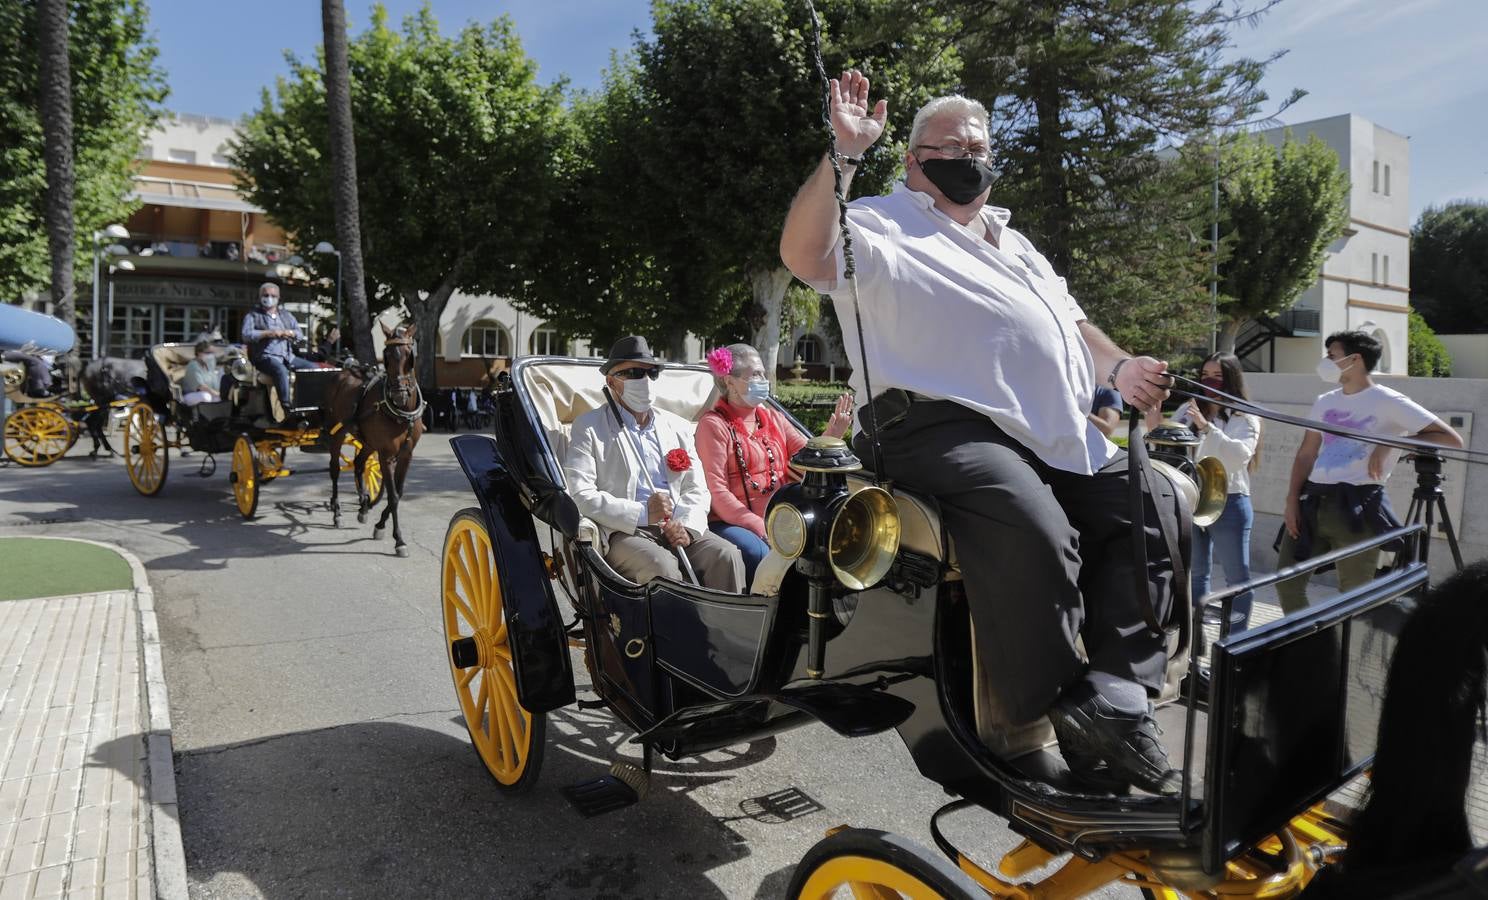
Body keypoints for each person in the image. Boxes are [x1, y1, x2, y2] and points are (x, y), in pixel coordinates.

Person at [780, 72, 1183, 795]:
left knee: (1153, 498)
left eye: (980, 145)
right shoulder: (877, 220)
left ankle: (1120, 693)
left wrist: (1119, 365)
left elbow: (1073, 324)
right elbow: (804, 257)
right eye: (951, 146)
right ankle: (1051, 711)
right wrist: (842, 157)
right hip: (930, 427)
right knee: (1033, 522)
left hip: (1045, 427)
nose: (970, 156)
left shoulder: (1018, 243)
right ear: (912, 160)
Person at [1276, 331, 1462, 613]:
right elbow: (1306, 454)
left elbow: (1450, 438)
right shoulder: (1325, 401)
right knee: (1286, 582)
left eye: (1332, 355)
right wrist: (1291, 501)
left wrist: (1388, 444)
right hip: (1312, 502)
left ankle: (1341, 655)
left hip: (1359, 507)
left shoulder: (1388, 399)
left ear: (1355, 359)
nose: (1326, 361)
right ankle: (1306, 650)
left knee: (1354, 597)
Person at [564, 336, 746, 593]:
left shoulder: (677, 426)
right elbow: (581, 495)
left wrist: (687, 528)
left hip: (677, 526)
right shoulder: (589, 427)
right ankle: (673, 633)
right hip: (624, 532)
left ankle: (726, 632)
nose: (645, 381)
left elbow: (697, 488)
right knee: (662, 567)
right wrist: (642, 513)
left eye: (652, 373)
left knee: (726, 556)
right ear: (611, 381)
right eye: (633, 373)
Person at [694, 343, 853, 582]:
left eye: (763, 373)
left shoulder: (774, 418)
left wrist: (832, 436)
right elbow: (716, 492)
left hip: (784, 518)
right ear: (729, 381)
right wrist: (759, 526)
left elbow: (807, 457)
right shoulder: (713, 425)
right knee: (758, 552)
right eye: (755, 374)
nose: (763, 379)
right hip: (733, 522)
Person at [1150, 353, 1261, 631]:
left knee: (1238, 579)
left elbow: (1240, 456)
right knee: (1196, 574)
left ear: (1231, 378)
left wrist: (1205, 427)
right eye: (1205, 376)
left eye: (1217, 376)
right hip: (1192, 500)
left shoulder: (1244, 414)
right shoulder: (1189, 408)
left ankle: (1235, 644)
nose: (1209, 381)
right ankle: (1195, 645)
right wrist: (1154, 420)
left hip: (1229, 502)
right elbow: (1167, 444)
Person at [240, 283, 316, 419]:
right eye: (266, 295)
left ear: (278, 297)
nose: (269, 298)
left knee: (312, 368)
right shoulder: (253, 315)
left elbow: (299, 334)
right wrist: (268, 333)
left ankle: (307, 404)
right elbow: (246, 334)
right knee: (280, 370)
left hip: (288, 356)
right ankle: (287, 407)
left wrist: (290, 332)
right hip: (265, 357)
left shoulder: (286, 315)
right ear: (260, 296)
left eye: (273, 295)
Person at [180, 340, 223, 406]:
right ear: (199, 353)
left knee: (219, 399)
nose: (211, 355)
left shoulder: (209, 365)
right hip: (191, 395)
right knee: (205, 397)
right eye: (208, 352)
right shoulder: (193, 365)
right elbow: (201, 387)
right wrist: (216, 394)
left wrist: (220, 394)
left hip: (209, 393)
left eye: (212, 353)